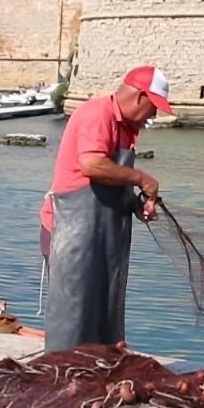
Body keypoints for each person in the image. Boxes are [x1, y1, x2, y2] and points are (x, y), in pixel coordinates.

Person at [39, 66, 174, 352]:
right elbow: (92, 166)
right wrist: (141, 178)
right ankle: (60, 379)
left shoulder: (127, 129)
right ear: (140, 97)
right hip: (70, 232)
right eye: (153, 108)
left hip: (104, 236)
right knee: (74, 313)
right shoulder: (96, 114)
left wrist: (137, 205)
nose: (154, 116)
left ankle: (95, 376)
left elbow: (114, 180)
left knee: (105, 309)